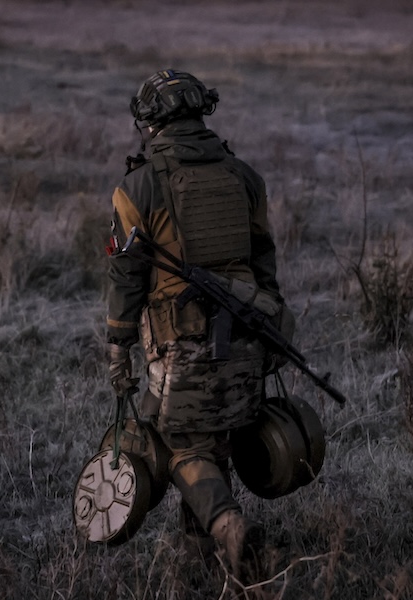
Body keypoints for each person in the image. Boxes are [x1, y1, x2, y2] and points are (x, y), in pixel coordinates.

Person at [104, 69, 286, 582]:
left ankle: (229, 529)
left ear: (151, 121)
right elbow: (265, 264)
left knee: (181, 445)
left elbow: (124, 274)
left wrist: (118, 346)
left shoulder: (137, 185)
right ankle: (199, 565)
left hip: (181, 345)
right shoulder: (244, 176)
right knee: (212, 442)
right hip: (249, 338)